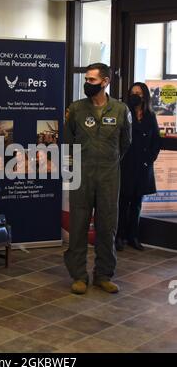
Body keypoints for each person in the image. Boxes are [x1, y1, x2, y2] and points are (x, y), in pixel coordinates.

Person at [64, 63, 132, 295]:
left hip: (109, 176)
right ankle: (79, 276)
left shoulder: (121, 110)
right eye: (86, 79)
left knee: (107, 226)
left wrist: (107, 161)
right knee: (79, 225)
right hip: (82, 175)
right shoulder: (75, 109)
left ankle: (103, 275)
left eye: (92, 80)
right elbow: (68, 140)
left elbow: (125, 144)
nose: (87, 84)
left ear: (105, 82)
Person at [116, 82, 161, 251]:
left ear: (145, 96)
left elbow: (156, 140)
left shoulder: (150, 115)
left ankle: (133, 236)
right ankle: (119, 236)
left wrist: (150, 158)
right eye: (133, 93)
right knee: (123, 202)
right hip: (126, 165)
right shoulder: (124, 113)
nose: (136, 95)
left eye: (139, 93)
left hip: (143, 166)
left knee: (136, 204)